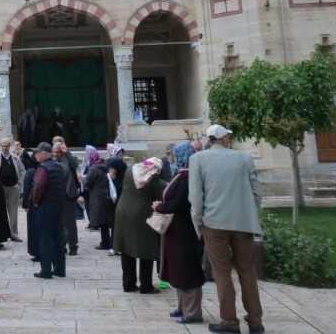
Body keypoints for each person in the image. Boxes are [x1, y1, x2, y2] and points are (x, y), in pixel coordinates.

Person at [189, 124, 264, 334]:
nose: (229, 139)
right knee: (248, 271)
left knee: (221, 272)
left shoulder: (198, 159)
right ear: (221, 138)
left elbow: (196, 196)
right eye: (227, 136)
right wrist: (250, 212)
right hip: (242, 222)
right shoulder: (244, 158)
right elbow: (256, 189)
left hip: (214, 223)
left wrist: (198, 223)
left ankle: (230, 321)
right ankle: (255, 321)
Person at [154, 141, 205, 324]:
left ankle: (193, 312)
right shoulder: (182, 174)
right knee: (178, 267)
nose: (172, 157)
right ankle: (182, 306)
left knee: (187, 267)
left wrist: (162, 206)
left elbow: (181, 202)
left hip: (185, 229)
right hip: (177, 229)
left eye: (175, 154)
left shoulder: (187, 176)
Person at [113, 156, 163, 294]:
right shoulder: (153, 176)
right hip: (142, 213)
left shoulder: (131, 169)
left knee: (126, 247)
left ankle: (128, 284)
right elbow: (158, 198)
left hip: (122, 210)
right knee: (146, 248)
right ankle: (146, 285)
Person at [31, 142, 66, 278]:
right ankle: (60, 268)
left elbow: (38, 186)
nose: (35, 155)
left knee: (45, 238)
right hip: (58, 205)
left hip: (45, 206)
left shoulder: (43, 168)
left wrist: (35, 201)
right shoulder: (58, 167)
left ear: (44, 154)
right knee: (58, 237)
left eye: (37, 153)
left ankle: (45, 270)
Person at [52, 137, 81, 255]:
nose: (55, 154)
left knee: (70, 223)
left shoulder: (69, 160)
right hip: (56, 196)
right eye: (54, 152)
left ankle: (73, 245)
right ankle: (61, 245)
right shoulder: (52, 161)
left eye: (58, 152)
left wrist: (67, 152)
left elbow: (74, 165)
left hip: (68, 196)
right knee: (59, 223)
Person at [0, 137, 25, 242]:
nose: (4, 148)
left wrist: (19, 184)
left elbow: (22, 171)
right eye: (2, 146)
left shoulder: (15, 158)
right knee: (0, 212)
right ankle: (1, 234)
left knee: (13, 212)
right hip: (1, 188)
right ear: (0, 146)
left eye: (6, 146)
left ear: (9, 146)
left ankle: (14, 234)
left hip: (13, 188)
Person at [84, 148, 114, 250]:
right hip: (106, 195)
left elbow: (87, 182)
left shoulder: (94, 169)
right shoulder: (106, 167)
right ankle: (107, 241)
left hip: (97, 196)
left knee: (102, 221)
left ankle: (105, 243)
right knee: (105, 221)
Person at [80, 145, 102, 231]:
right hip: (85, 188)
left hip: (90, 188)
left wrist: (83, 177)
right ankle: (91, 222)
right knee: (88, 206)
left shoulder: (94, 163)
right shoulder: (86, 161)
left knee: (92, 207)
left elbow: (91, 176)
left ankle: (94, 223)